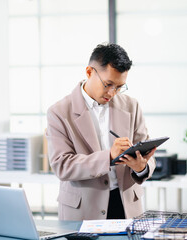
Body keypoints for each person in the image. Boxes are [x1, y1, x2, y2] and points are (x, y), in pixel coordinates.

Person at [46, 43, 156, 221]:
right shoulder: (59, 112)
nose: (113, 92)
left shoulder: (131, 106)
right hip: (83, 209)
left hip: (126, 205)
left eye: (119, 87)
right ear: (89, 72)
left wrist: (142, 167)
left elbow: (148, 158)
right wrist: (109, 157)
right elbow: (62, 166)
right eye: (108, 84)